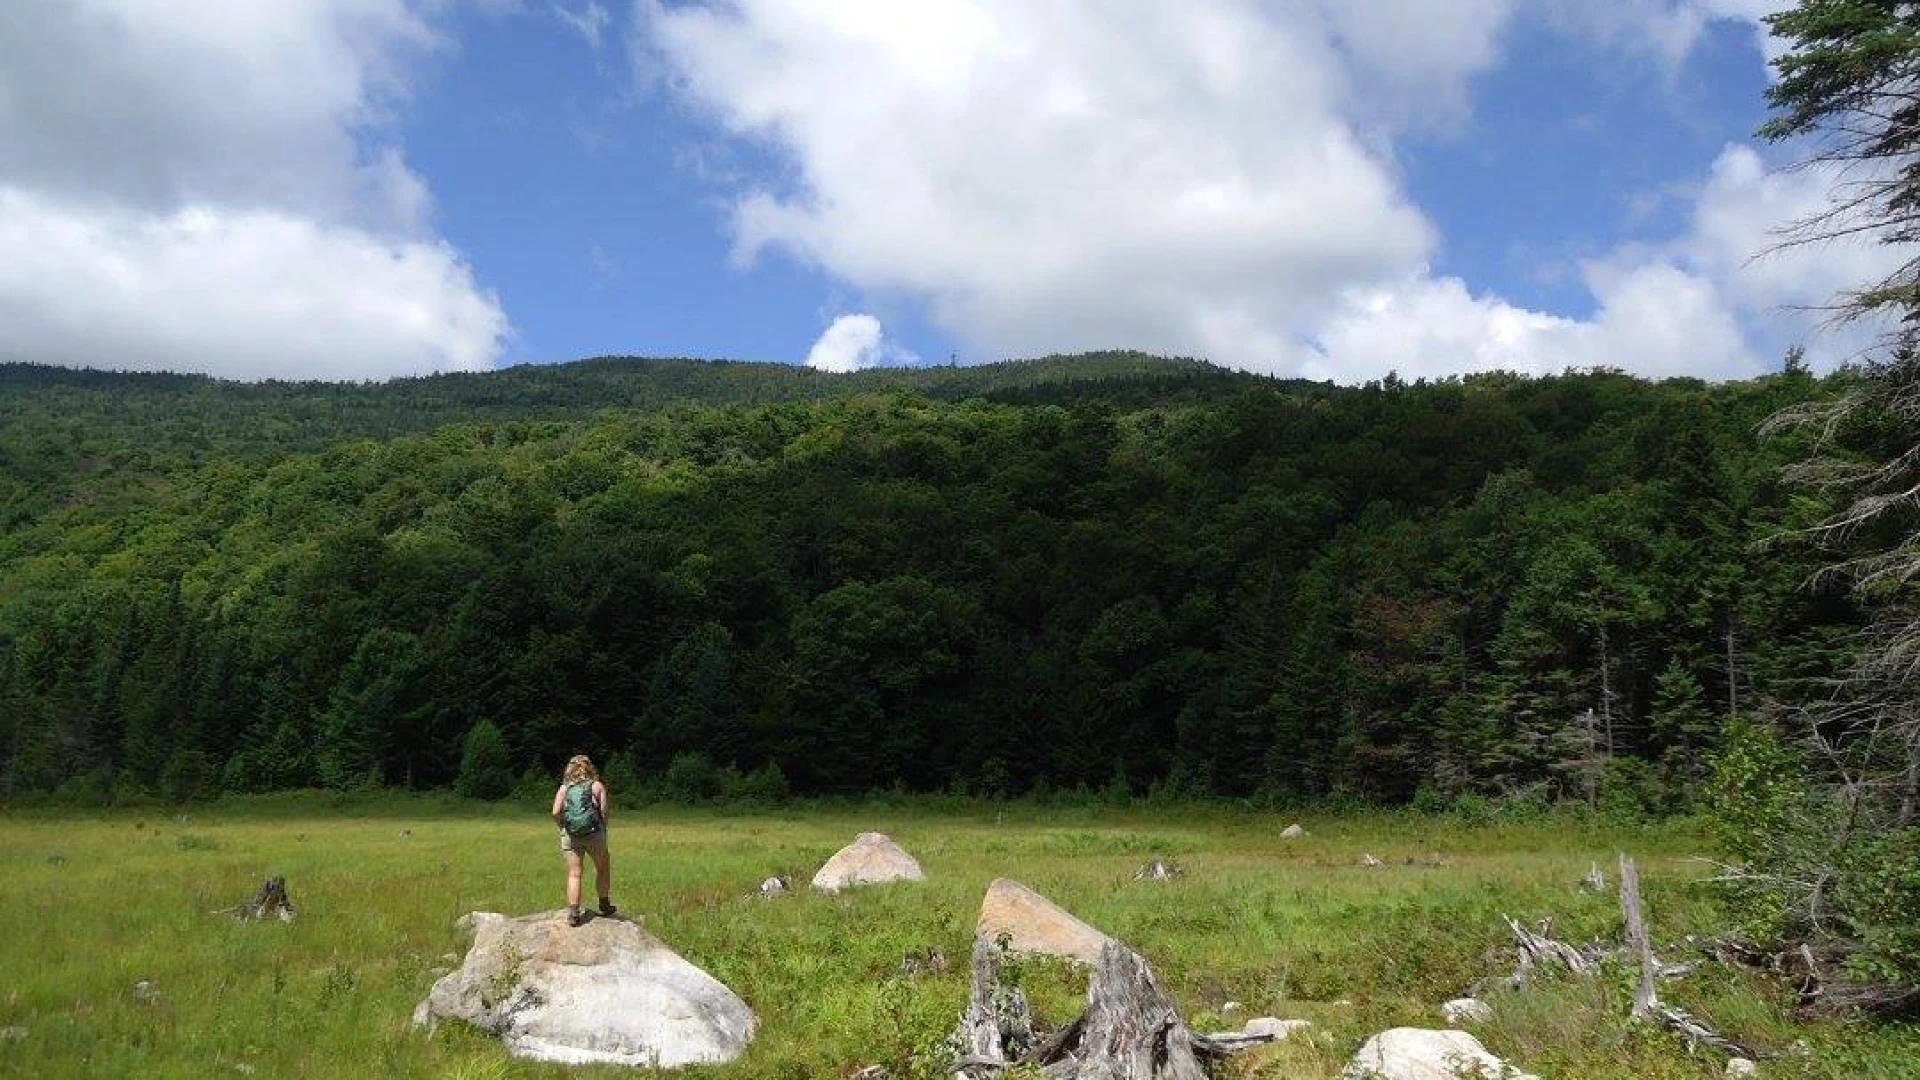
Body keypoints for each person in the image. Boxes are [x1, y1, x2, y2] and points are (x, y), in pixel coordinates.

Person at [551, 754, 614, 927]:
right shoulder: (597, 786)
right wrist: (603, 829)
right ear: (590, 768)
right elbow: (604, 812)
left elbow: (555, 812)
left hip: (571, 835)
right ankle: (604, 904)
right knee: (603, 868)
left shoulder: (565, 788)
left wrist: (562, 826)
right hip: (595, 835)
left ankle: (573, 912)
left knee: (574, 872)